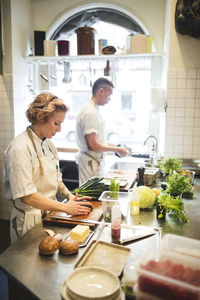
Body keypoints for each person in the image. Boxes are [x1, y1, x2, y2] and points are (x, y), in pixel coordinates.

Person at [3, 92, 92, 243]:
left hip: (50, 215)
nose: (59, 130)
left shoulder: (49, 146)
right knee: (27, 265)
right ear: (40, 118)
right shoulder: (19, 148)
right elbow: (27, 196)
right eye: (56, 123)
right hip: (29, 220)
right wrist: (66, 208)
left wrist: (70, 196)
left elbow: (56, 180)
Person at [75, 77, 130, 185]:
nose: (109, 100)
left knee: (93, 195)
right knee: (89, 196)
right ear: (101, 91)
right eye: (109, 96)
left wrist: (117, 147)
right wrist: (117, 150)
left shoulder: (93, 110)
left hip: (93, 162)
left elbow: (98, 141)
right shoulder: (90, 112)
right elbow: (93, 145)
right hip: (89, 163)